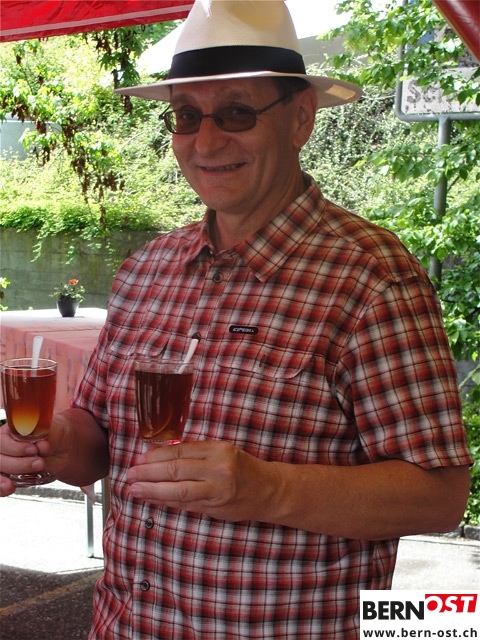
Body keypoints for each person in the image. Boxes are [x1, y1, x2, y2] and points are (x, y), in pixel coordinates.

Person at [0, 2, 473, 638]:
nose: (206, 141)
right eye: (186, 116)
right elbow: (101, 439)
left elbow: (439, 494)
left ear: (301, 118)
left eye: (237, 113)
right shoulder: (147, 270)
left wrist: (267, 489)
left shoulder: (370, 277)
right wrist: (57, 444)